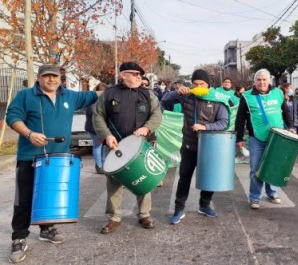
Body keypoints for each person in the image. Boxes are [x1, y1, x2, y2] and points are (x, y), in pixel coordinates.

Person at [5, 64, 99, 263]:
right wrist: (29, 134)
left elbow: (95, 94)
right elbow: (12, 117)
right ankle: (19, 238)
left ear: (60, 78)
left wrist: (119, 86)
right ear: (38, 78)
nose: (51, 80)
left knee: (51, 197)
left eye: (55, 77)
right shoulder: (26, 96)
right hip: (29, 157)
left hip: (58, 159)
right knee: (23, 200)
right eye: (46, 76)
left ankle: (46, 229)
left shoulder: (70, 96)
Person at [93, 62, 162, 234]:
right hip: (116, 146)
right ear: (123, 75)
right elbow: (98, 116)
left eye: (140, 75)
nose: (140, 77)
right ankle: (114, 218)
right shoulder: (109, 93)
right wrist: (106, 135)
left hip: (141, 145)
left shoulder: (148, 94)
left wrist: (147, 128)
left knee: (144, 180)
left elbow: (157, 114)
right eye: (135, 74)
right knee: (114, 183)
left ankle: (144, 214)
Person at [162, 69, 229, 224]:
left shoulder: (217, 99)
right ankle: (179, 209)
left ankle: (204, 205)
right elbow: (165, 101)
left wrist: (206, 127)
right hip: (188, 145)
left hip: (210, 146)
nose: (198, 86)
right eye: (196, 83)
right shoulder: (186, 97)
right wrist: (176, 93)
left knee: (208, 177)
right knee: (184, 177)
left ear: (208, 85)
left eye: (202, 84)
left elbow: (224, 122)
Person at [235, 69, 293, 209]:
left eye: (264, 80)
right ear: (254, 82)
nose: (262, 82)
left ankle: (272, 193)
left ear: (269, 81)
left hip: (277, 138)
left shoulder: (278, 93)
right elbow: (240, 118)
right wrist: (239, 137)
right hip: (256, 138)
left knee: (273, 166)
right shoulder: (247, 96)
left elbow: (285, 111)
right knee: (255, 169)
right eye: (259, 80)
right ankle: (255, 198)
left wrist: (291, 126)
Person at [85, 82, 108, 174]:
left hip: (102, 129)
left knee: (103, 147)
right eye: (101, 92)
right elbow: (96, 115)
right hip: (94, 129)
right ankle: (99, 166)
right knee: (98, 146)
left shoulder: (104, 101)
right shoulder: (94, 103)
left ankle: (102, 164)